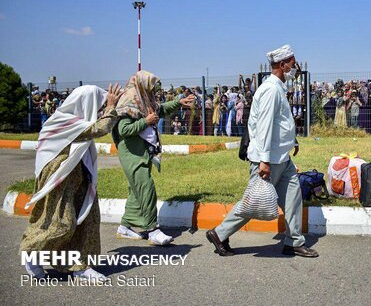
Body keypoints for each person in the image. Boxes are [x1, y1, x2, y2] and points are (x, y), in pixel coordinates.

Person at [206, 44, 318, 258]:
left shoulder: (278, 88)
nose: (296, 68)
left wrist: (291, 141)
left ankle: (294, 241)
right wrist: (264, 161)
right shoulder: (270, 90)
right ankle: (219, 233)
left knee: (293, 197)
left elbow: (279, 122)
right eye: (293, 64)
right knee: (254, 202)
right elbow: (264, 127)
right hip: (268, 159)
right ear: (283, 65)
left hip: (281, 157)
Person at [20, 84, 121, 282]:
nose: (100, 110)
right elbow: (100, 128)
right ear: (86, 103)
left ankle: (81, 267)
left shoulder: (77, 121)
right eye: (98, 105)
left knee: (89, 220)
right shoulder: (64, 121)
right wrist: (110, 108)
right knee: (61, 221)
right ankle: (32, 252)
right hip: (59, 178)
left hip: (80, 176)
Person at [113, 71, 195, 245]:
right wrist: (146, 121)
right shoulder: (129, 102)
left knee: (137, 191)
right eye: (150, 87)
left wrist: (178, 102)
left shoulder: (143, 100)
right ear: (141, 85)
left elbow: (160, 109)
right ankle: (152, 230)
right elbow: (123, 130)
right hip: (131, 154)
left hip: (142, 152)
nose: (153, 91)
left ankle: (125, 227)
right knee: (146, 188)